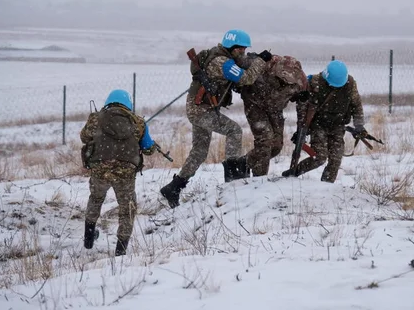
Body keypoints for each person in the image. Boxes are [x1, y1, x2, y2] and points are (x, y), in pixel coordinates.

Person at [159, 29, 271, 208]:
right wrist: (260, 61)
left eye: (244, 50)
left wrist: (251, 58)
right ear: (232, 47)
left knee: (199, 152)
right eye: (241, 49)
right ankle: (233, 179)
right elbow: (247, 78)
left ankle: (174, 187)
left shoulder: (221, 57)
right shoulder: (222, 63)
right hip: (201, 111)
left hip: (199, 108)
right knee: (234, 130)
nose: (242, 52)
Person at [80, 89, 156, 256]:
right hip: (125, 173)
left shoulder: (96, 118)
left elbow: (84, 138)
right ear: (128, 103)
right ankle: (121, 250)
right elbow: (148, 149)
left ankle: (88, 238)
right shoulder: (138, 122)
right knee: (127, 208)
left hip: (100, 169)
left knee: (96, 198)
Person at [283, 60, 367, 183]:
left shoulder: (350, 84)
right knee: (319, 157)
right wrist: (301, 129)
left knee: (336, 158)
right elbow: (303, 107)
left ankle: (327, 187)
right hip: (318, 125)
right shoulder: (314, 83)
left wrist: (359, 125)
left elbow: (356, 105)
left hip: (338, 124)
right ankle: (293, 174)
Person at [237, 54, 309, 178]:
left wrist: (301, 129)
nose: (284, 84)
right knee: (265, 141)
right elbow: (239, 63)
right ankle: (259, 180)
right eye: (282, 80)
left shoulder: (301, 82)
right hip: (254, 104)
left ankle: (243, 163)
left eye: (288, 83)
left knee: (276, 146)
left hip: (275, 109)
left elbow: (302, 108)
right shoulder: (264, 65)